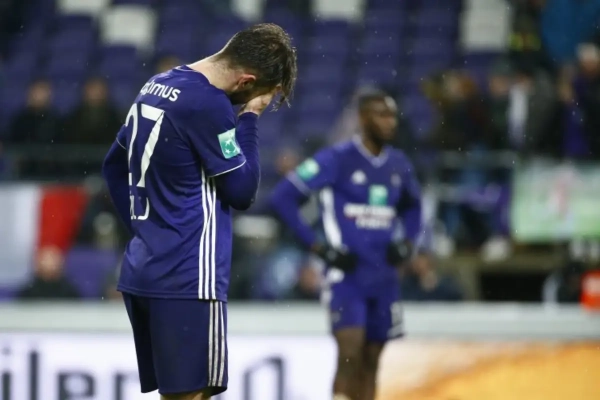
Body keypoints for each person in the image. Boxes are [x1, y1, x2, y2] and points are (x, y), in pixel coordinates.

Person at [101, 23, 297, 400]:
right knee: (193, 395)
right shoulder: (208, 103)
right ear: (247, 81)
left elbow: (113, 167)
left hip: (145, 269)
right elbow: (242, 191)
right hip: (189, 275)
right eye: (257, 94)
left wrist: (145, 233)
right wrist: (250, 118)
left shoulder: (157, 84)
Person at [269, 90, 422, 400]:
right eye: (381, 115)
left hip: (385, 277)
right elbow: (283, 197)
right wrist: (317, 247)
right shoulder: (336, 159)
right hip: (347, 276)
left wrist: (408, 242)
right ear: (363, 119)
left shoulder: (399, 164)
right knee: (350, 354)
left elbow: (414, 207)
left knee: (372, 360)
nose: (390, 122)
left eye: (392, 115)